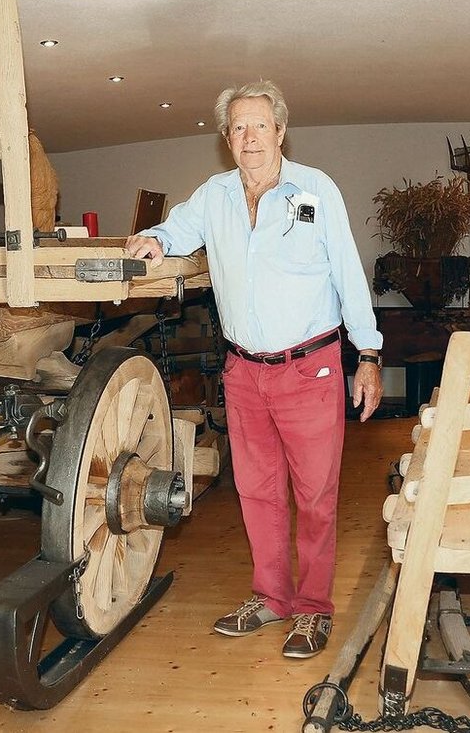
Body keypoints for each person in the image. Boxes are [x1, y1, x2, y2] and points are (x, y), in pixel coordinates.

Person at [125, 80, 382, 659]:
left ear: (280, 130)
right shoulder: (212, 197)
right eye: (238, 127)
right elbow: (175, 231)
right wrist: (153, 239)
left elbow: (348, 273)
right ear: (226, 139)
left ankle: (313, 609)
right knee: (257, 492)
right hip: (243, 373)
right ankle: (271, 597)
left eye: (259, 125)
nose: (249, 137)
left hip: (310, 369)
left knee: (315, 496)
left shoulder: (316, 190)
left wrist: (367, 355)